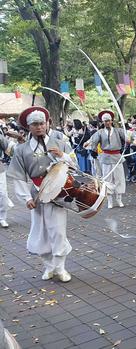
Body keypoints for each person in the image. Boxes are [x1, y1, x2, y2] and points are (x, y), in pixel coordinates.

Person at [7, 107, 75, 282]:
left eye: (42, 123)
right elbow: (19, 176)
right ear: (29, 127)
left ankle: (60, 268)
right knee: (41, 231)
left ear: (47, 124)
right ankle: (49, 267)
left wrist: (64, 156)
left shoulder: (60, 142)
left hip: (59, 193)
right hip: (37, 195)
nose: (39, 127)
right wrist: (26, 198)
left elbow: (75, 165)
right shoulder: (21, 150)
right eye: (35, 124)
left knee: (58, 231)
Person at [86, 110, 127, 208]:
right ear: (102, 122)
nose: (107, 123)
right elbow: (92, 141)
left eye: (108, 120)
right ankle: (110, 200)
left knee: (119, 178)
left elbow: (128, 137)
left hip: (117, 157)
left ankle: (119, 199)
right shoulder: (99, 132)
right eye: (105, 121)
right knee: (107, 179)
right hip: (106, 157)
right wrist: (90, 146)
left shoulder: (118, 130)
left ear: (112, 121)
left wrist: (129, 139)